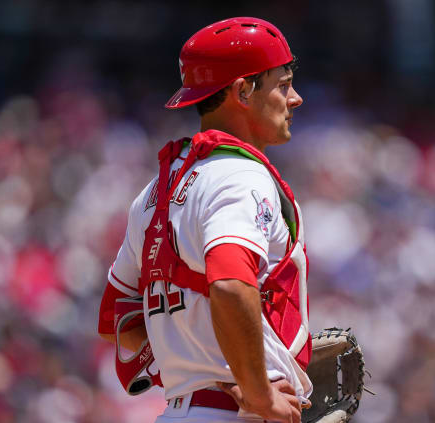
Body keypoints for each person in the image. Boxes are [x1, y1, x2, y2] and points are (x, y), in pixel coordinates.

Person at [97, 17, 312, 422]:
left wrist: (215, 374)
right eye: (282, 84)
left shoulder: (153, 195)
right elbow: (230, 284)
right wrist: (258, 391)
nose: (295, 97)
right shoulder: (240, 176)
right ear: (243, 91)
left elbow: (121, 319)